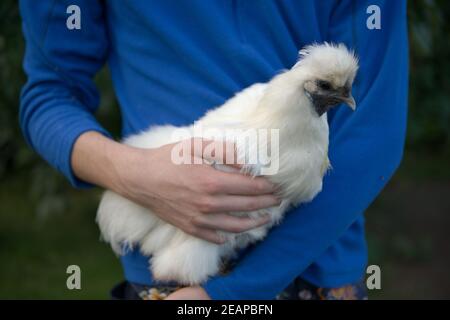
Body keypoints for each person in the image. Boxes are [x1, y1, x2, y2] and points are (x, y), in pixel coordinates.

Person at [19, 0, 408, 300]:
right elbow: (50, 93)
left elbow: (373, 130)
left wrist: (234, 292)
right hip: (176, 264)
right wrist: (134, 174)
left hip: (311, 266)